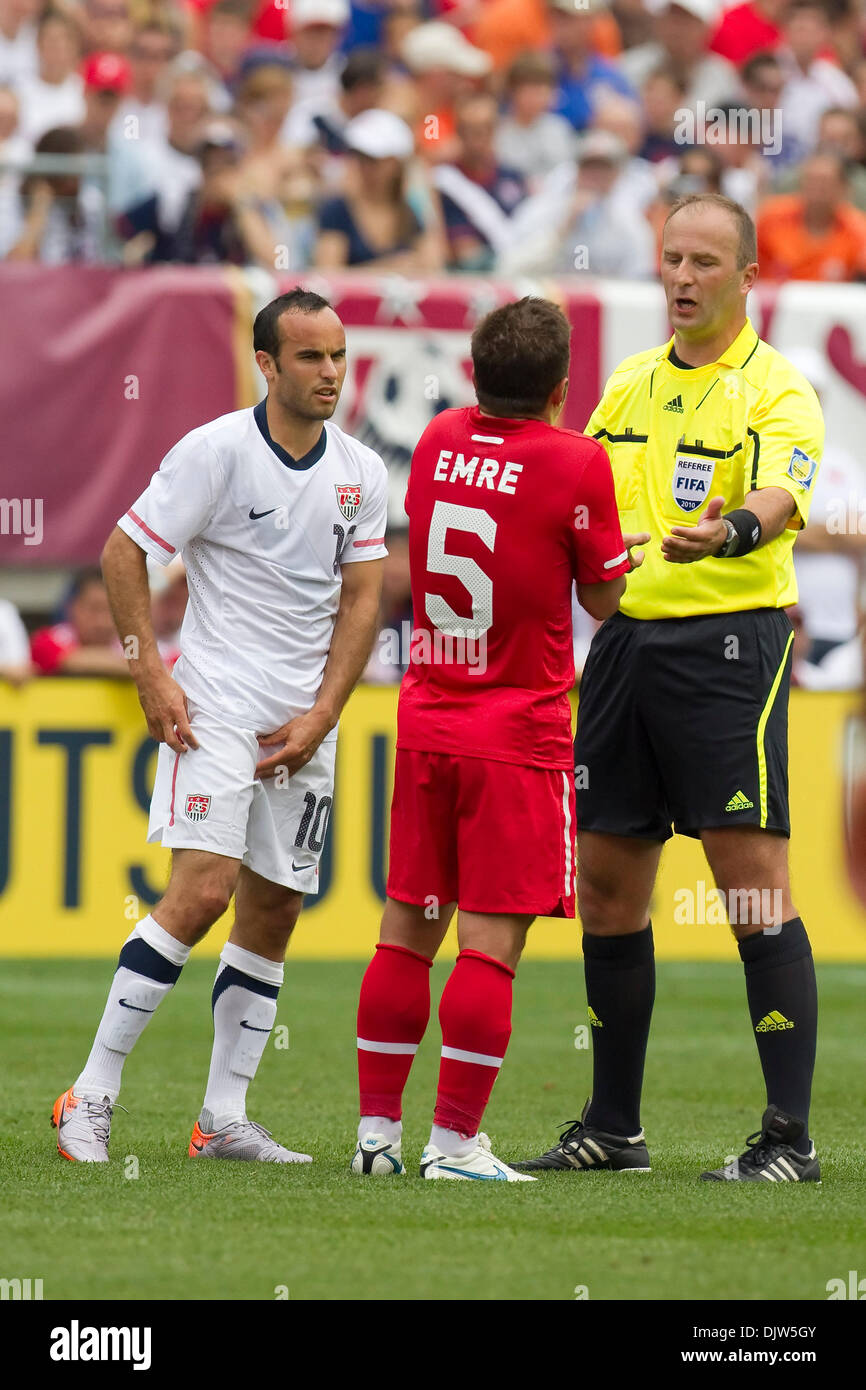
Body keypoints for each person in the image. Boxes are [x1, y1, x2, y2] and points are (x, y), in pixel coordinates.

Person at [513, 193, 825, 1183]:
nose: (681, 278)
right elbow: (577, 499)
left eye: (702, 262)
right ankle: (613, 1125)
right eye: (669, 258)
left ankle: (787, 1138)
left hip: (729, 646)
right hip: (624, 650)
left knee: (750, 888)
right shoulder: (628, 387)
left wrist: (730, 528)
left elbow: (781, 496)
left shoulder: (777, 388)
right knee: (604, 888)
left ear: (744, 278)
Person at [51, 288, 388, 1164]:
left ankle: (222, 1119)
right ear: (267, 364)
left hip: (302, 723)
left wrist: (324, 712)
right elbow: (124, 552)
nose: (330, 374)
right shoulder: (215, 451)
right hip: (217, 707)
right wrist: (149, 669)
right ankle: (89, 1095)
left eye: (339, 356)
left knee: (274, 910)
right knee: (203, 892)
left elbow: (363, 600)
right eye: (310, 357)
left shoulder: (362, 470)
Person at [350, 296, 637, 1182]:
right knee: (489, 946)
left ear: (475, 374)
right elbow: (603, 599)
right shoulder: (577, 462)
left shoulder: (435, 438)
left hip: (429, 715)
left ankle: (375, 1140)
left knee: (405, 933)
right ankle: (454, 1143)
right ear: (561, 389)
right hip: (517, 729)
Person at [314, 107, 442, 272]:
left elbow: (434, 268)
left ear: (396, 164)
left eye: (373, 160)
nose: (364, 167)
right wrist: (387, 269)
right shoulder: (336, 210)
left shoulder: (410, 212)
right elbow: (327, 275)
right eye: (359, 157)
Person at [757, 148, 866, 281]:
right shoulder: (771, 217)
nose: (817, 189)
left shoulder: (858, 228)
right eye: (811, 180)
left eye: (824, 182)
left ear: (843, 188)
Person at [30, 568, 130, 676]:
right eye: (94, 609)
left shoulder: (131, 643)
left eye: (111, 610)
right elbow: (68, 661)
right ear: (72, 608)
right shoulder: (47, 640)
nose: (102, 621)